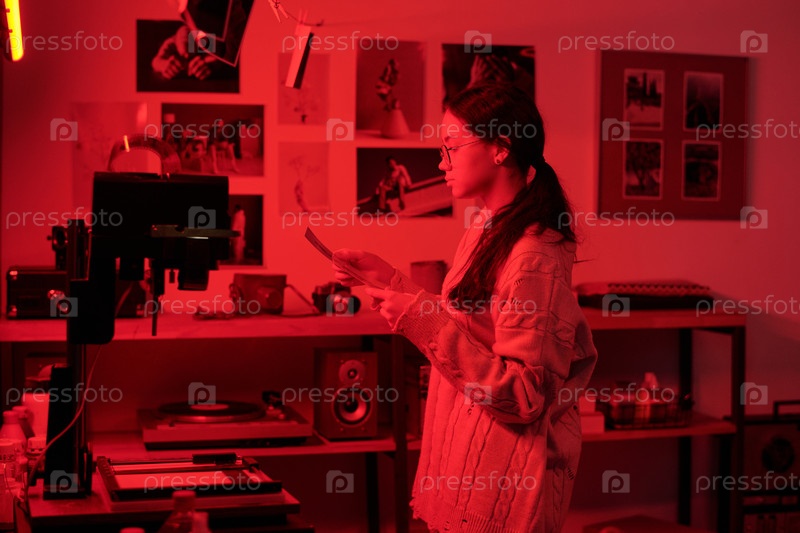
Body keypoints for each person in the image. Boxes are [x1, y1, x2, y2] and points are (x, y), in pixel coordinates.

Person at [332, 84, 598, 532]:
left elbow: (525, 396)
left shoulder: (535, 256)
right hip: (466, 473)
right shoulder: (486, 228)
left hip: (501, 493)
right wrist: (386, 278)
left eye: (451, 147)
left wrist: (419, 320)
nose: (442, 163)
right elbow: (471, 325)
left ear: (500, 148)